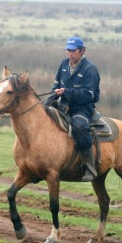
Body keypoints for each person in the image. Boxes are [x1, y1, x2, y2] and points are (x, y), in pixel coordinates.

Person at [44, 36, 100, 181]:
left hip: (82, 108)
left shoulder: (90, 69)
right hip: (63, 105)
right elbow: (55, 87)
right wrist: (46, 104)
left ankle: (89, 166)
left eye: (73, 51)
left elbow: (89, 95)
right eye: (68, 50)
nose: (70, 54)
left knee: (79, 126)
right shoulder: (64, 64)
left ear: (82, 51)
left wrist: (67, 92)